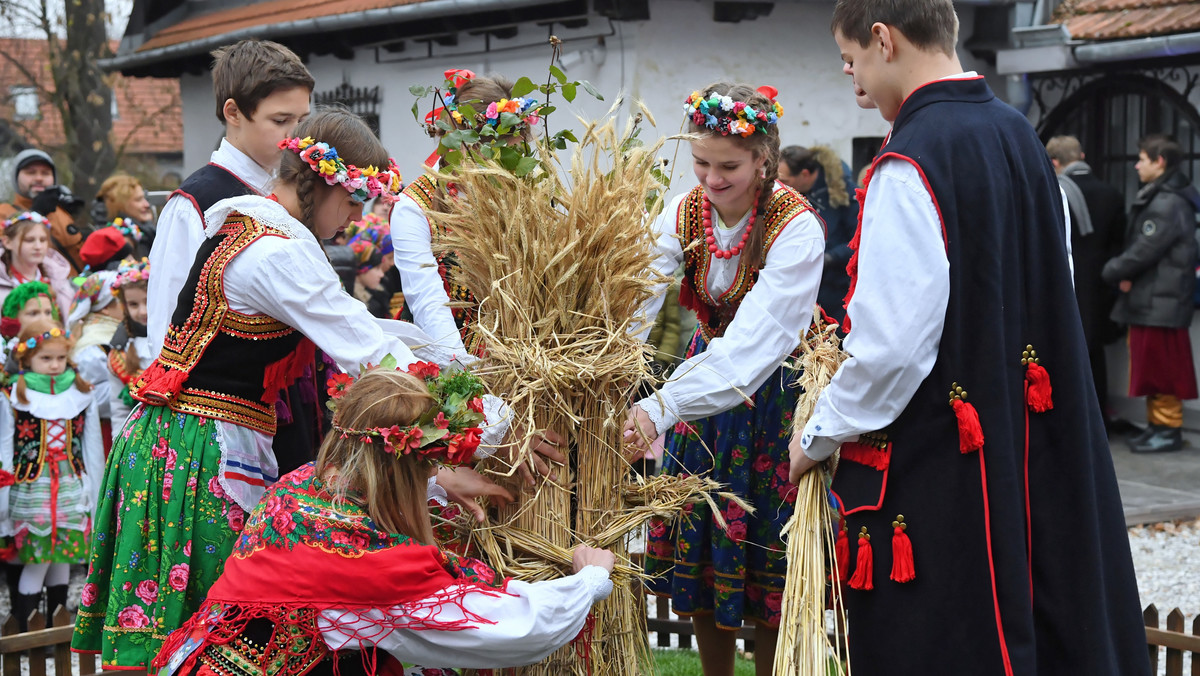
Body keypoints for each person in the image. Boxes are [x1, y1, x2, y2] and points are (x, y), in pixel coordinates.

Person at [71, 109, 544, 669]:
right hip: (194, 453)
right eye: (349, 202)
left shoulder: (262, 233)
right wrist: (500, 429)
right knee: (220, 636)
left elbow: (377, 332)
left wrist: (464, 371)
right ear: (317, 183)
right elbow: (370, 350)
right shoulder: (272, 252)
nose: (352, 220)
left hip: (197, 439)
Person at [789, 2, 1150, 674]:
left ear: (883, 38)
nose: (852, 76)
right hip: (1033, 447)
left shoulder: (908, 161)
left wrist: (817, 433)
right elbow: (1053, 286)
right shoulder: (1019, 135)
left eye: (852, 58)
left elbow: (891, 349)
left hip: (947, 471)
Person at [152, 364, 614, 676]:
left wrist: (435, 482)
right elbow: (512, 627)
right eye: (428, 467)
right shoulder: (373, 566)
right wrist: (589, 578)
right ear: (404, 469)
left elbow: (372, 486)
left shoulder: (299, 488)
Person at [623, 83, 824, 676]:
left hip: (775, 396)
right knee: (702, 539)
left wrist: (659, 407)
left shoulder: (795, 227)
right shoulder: (682, 214)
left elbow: (757, 344)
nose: (711, 179)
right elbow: (637, 303)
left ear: (764, 158)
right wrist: (606, 372)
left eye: (729, 165)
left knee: (769, 554)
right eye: (701, 163)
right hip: (701, 388)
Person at [146, 39, 320, 476]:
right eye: (281, 120)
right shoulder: (196, 202)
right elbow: (167, 329)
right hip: (219, 421)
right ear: (233, 112)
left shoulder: (293, 193)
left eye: (301, 120)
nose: (295, 135)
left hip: (294, 398)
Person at [392, 70, 525, 359]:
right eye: (497, 155)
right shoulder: (413, 206)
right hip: (443, 360)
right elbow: (428, 302)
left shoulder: (522, 191)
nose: (506, 167)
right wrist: (464, 370)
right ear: (464, 143)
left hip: (516, 359)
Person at [0, 319, 103, 631]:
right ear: (26, 359)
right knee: (38, 558)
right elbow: (5, 446)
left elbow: (93, 448)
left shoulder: (82, 393)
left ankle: (54, 632)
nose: (55, 364)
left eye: (60, 357)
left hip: (72, 487)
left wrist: (96, 493)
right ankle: (24, 630)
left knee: (63, 559)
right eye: (46, 358)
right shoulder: (12, 396)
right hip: (32, 489)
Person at [1102, 134, 1200, 453]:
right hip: (1154, 298)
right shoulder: (1162, 195)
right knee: (1152, 367)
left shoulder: (1167, 202)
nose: (1136, 165)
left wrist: (1113, 270)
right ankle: (1157, 425)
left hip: (1161, 300)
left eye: (1142, 158)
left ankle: (1167, 429)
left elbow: (1146, 249)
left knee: (1162, 370)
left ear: (1160, 162)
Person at [1045, 135, 1126, 425]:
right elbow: (1120, 243)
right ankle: (1099, 416)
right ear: (1081, 154)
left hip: (1064, 283)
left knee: (1064, 350)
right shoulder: (1111, 192)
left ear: (1054, 162)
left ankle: (1072, 421)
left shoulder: (1054, 190)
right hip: (1101, 285)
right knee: (1095, 352)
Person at [778, 145, 858, 325]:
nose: (780, 185)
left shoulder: (843, 194)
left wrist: (828, 258)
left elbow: (859, 241)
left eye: (784, 179)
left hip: (837, 289)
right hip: (804, 286)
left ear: (805, 174)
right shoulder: (795, 195)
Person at [0, 149, 87, 274]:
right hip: (31, 290)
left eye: (45, 173)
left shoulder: (60, 212)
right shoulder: (4, 212)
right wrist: (35, 214)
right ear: (16, 178)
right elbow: (4, 258)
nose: (39, 178)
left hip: (71, 289)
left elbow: (80, 258)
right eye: (31, 173)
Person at [68, 271, 122, 449]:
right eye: (122, 300)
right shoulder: (95, 344)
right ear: (105, 307)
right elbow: (93, 396)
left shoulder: (114, 333)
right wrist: (131, 388)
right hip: (103, 431)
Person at [105, 259, 152, 436]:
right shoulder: (120, 353)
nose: (143, 311)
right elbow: (119, 411)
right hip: (137, 442)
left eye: (148, 301)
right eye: (133, 304)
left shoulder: (178, 339)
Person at [0, 212, 74, 321]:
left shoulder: (58, 279)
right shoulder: (3, 283)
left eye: (43, 240)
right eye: (29, 240)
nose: (38, 246)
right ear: (7, 242)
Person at [94, 174, 157, 257]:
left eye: (145, 198)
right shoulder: (121, 243)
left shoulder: (145, 233)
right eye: (138, 200)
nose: (147, 204)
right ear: (120, 205)